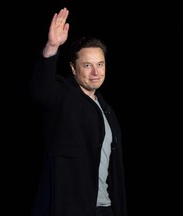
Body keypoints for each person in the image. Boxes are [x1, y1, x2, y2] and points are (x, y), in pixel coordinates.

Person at [29, 7, 128, 216]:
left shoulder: (106, 109)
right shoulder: (64, 95)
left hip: (105, 208)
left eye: (100, 64)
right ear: (73, 69)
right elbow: (41, 90)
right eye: (87, 65)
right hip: (72, 209)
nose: (95, 72)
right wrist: (52, 46)